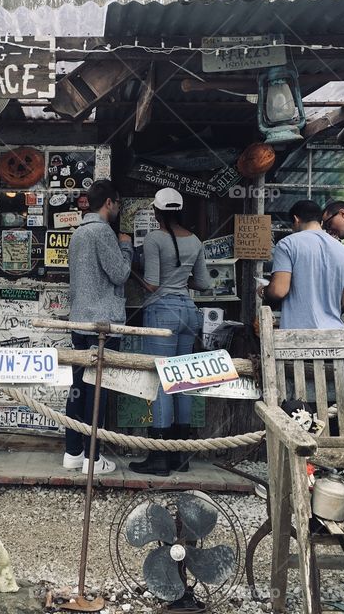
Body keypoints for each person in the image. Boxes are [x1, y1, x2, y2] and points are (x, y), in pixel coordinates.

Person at [128, 188, 211, 477]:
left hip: (161, 311)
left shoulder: (154, 239)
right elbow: (203, 283)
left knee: (162, 381)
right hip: (189, 311)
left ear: (157, 211)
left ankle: (159, 457)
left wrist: (130, 270)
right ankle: (181, 456)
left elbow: (151, 284)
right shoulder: (196, 241)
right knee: (182, 381)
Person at [63, 179, 133, 474]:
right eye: (116, 204)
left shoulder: (78, 233)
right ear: (108, 203)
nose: (117, 209)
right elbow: (120, 274)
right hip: (102, 325)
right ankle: (93, 459)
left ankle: (73, 452)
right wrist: (127, 248)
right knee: (98, 390)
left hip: (80, 320)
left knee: (78, 387)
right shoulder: (104, 232)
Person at [259, 199, 344, 329]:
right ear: (320, 222)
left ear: (296, 220)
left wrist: (264, 291)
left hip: (297, 335)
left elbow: (279, 291)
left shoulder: (287, 244)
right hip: (334, 335)